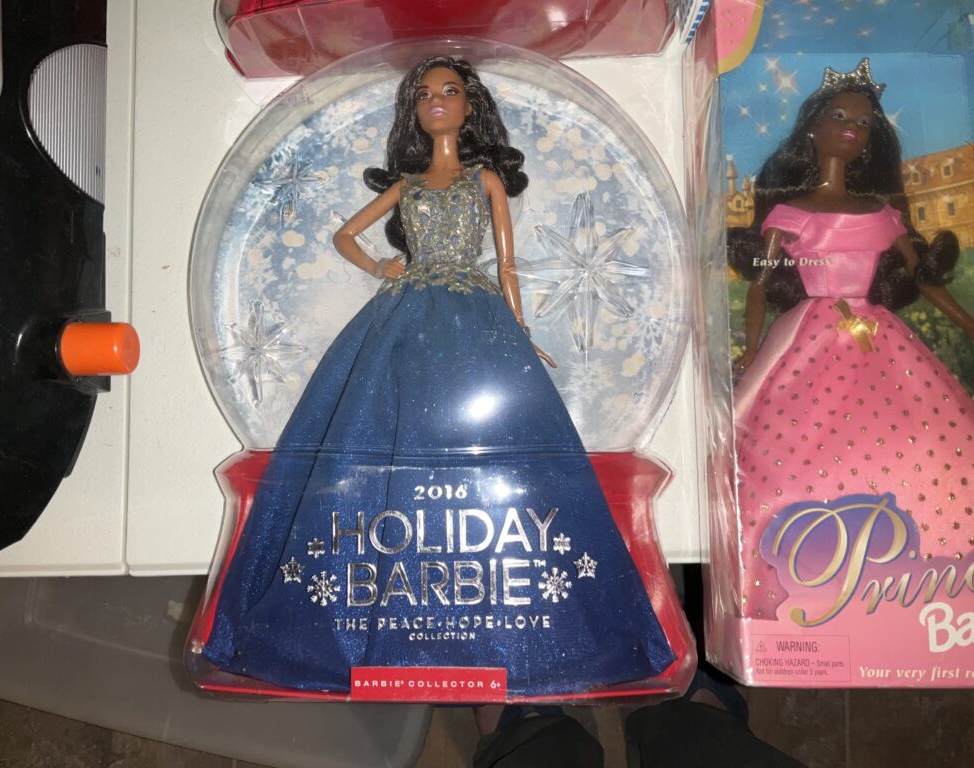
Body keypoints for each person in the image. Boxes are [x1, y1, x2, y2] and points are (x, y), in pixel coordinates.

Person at [201, 55, 675, 695]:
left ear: (470, 105)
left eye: (449, 91)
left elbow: (507, 264)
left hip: (477, 317)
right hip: (404, 319)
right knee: (376, 433)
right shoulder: (409, 185)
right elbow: (346, 236)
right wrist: (380, 268)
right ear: (414, 111)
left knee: (506, 443)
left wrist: (520, 329)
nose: (436, 102)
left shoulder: (485, 179)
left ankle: (546, 632)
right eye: (424, 95)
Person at [728, 59, 974, 620]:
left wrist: (967, 323)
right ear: (811, 129)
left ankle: (932, 560)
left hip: (879, 338)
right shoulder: (788, 214)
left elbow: (924, 280)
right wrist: (753, 347)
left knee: (926, 439)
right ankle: (801, 567)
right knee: (791, 446)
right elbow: (760, 286)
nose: (851, 129)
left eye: (863, 123)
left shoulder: (883, 214)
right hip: (807, 338)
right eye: (839, 117)